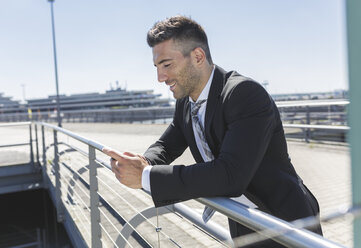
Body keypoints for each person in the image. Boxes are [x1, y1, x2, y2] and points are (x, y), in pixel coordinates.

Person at [103, 15, 322, 247]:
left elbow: (230, 175)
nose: (160, 78)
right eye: (157, 67)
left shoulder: (245, 94)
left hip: (285, 223)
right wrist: (142, 161)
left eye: (167, 65)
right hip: (244, 223)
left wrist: (146, 177)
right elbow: (168, 144)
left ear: (198, 56)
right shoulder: (185, 102)